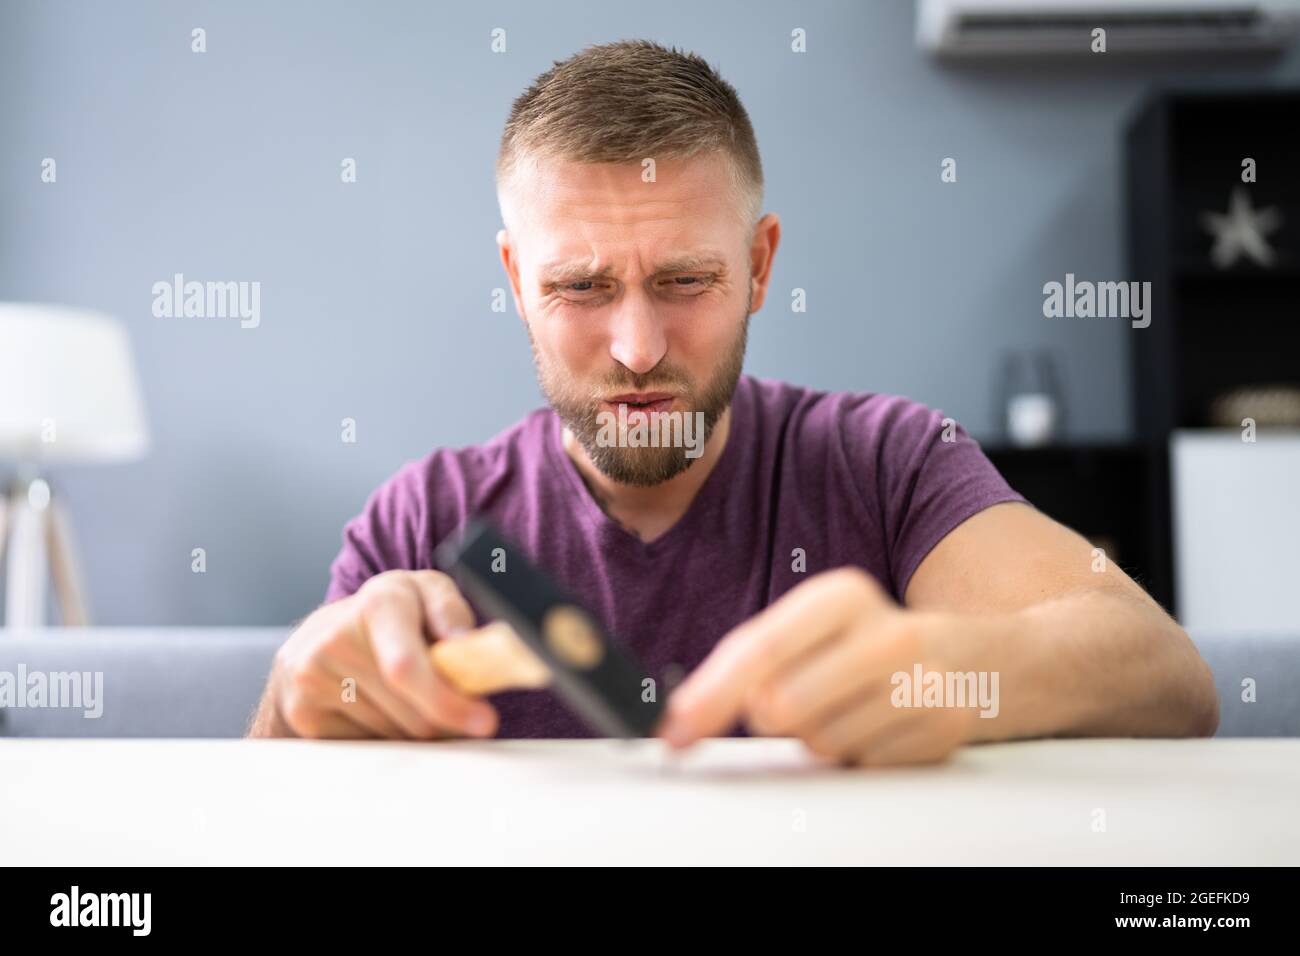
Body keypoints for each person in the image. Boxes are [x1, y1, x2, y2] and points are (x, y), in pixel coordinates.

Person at [249, 40, 1218, 765]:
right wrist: (303, 695)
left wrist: (955, 672)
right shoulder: (423, 519)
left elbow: (1168, 674)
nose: (637, 348)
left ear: (758, 265)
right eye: (580, 287)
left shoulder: (886, 460)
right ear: (514, 277)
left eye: (683, 280)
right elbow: (257, 818)